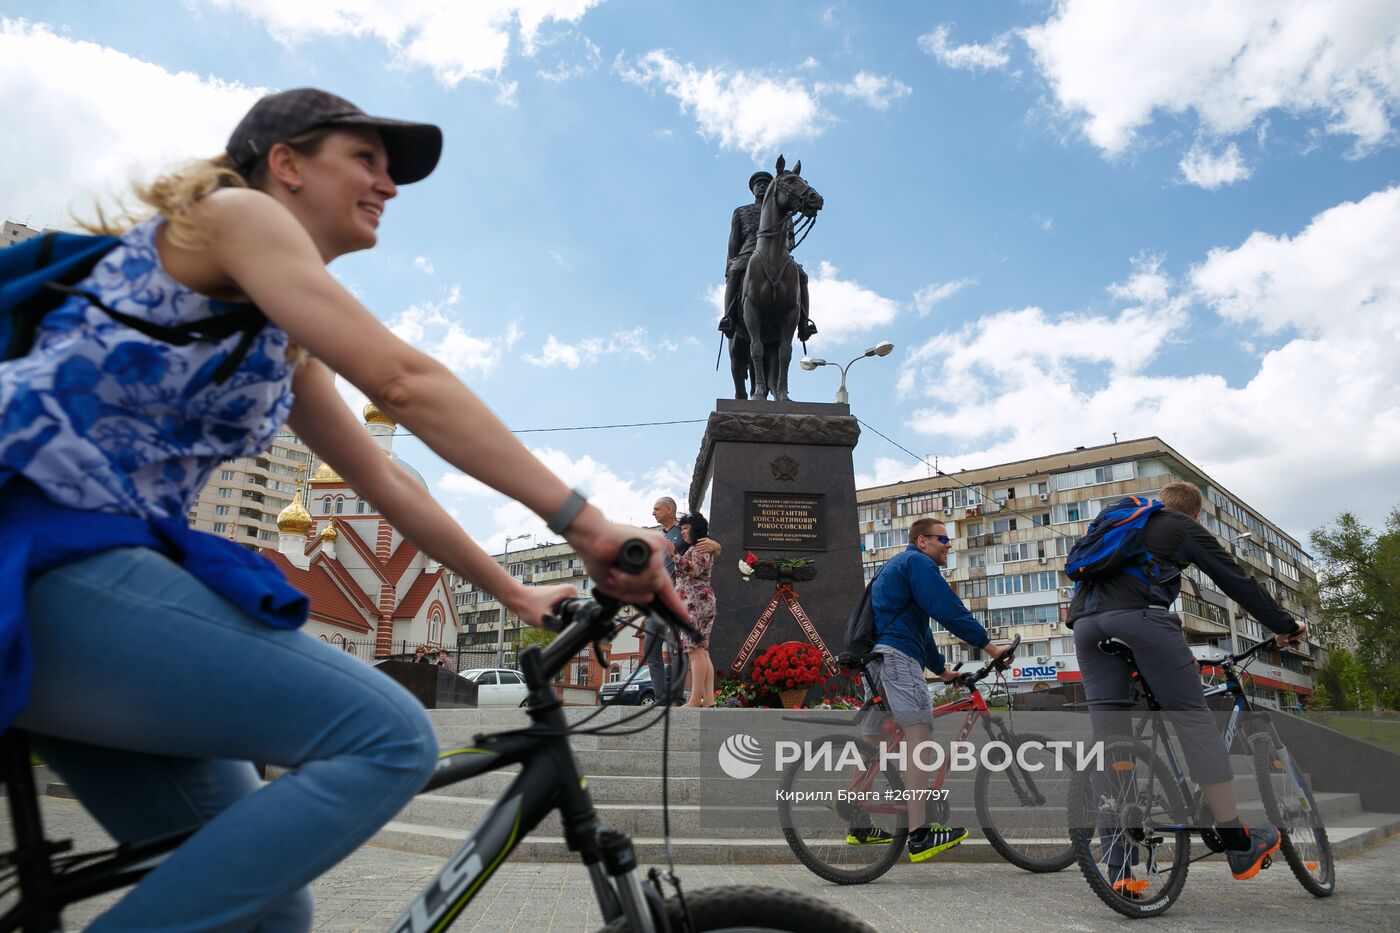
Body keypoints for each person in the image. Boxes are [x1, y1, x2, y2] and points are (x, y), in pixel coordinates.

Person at [0, 87, 682, 931]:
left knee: (271, 911)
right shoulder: (235, 213)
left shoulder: (277, 339)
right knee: (390, 737)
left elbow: (389, 485)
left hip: (89, 584)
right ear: (284, 163)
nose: (388, 185)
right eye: (365, 160)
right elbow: (401, 380)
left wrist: (514, 593)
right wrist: (583, 521)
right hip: (40, 561)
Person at [1068, 481, 1306, 890]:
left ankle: (1119, 872)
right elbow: (1235, 581)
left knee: (1110, 740)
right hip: (1141, 618)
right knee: (1192, 718)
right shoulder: (1180, 525)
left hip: (1086, 628)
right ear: (1194, 514)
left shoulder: (1117, 524)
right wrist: (1286, 627)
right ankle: (1237, 843)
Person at [859, 517, 1012, 863]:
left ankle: (858, 820)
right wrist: (990, 648)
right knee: (920, 733)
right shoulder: (917, 562)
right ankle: (919, 833)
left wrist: (942, 671)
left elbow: (920, 629)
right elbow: (946, 608)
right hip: (898, 658)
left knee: (876, 737)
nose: (948, 545)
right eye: (943, 538)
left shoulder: (897, 567)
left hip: (879, 658)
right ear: (922, 541)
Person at [717, 172, 814, 398]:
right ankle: (729, 316)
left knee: (802, 276)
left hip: (777, 256)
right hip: (748, 253)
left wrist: (782, 242)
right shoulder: (741, 212)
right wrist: (730, 265)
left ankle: (804, 321)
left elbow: (790, 240)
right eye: (757, 185)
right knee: (735, 272)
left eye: (764, 184)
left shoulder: (785, 213)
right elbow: (733, 243)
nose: (761, 187)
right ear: (752, 190)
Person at [639, 496, 721, 703]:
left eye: (657, 508)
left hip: (685, 600)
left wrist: (716, 546)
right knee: (652, 650)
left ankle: (677, 697)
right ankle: (660, 698)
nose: (653, 513)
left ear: (669, 509)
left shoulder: (685, 535)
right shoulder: (658, 537)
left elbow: (702, 556)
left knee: (683, 649)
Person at [670, 512, 716, 708]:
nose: (683, 533)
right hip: (699, 603)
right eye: (681, 530)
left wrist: (674, 556)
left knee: (696, 651)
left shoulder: (700, 547)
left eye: (686, 529)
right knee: (702, 652)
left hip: (695, 604)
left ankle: (695, 699)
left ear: (695, 529)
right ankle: (709, 699)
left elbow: (695, 570)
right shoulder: (698, 547)